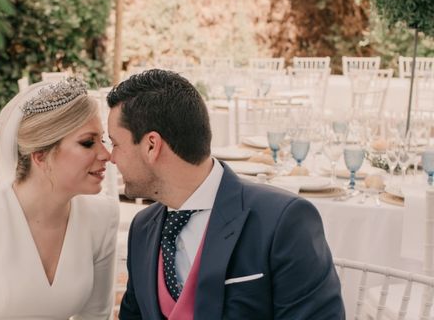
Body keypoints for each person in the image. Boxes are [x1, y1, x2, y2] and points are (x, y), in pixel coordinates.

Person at [106, 69, 345, 319]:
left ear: (151, 146)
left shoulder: (284, 221)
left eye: (115, 144)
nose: (111, 158)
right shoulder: (142, 229)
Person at [0, 77, 119, 319]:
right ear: (40, 156)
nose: (106, 154)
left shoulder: (102, 217)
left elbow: (96, 315)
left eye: (103, 140)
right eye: (88, 142)